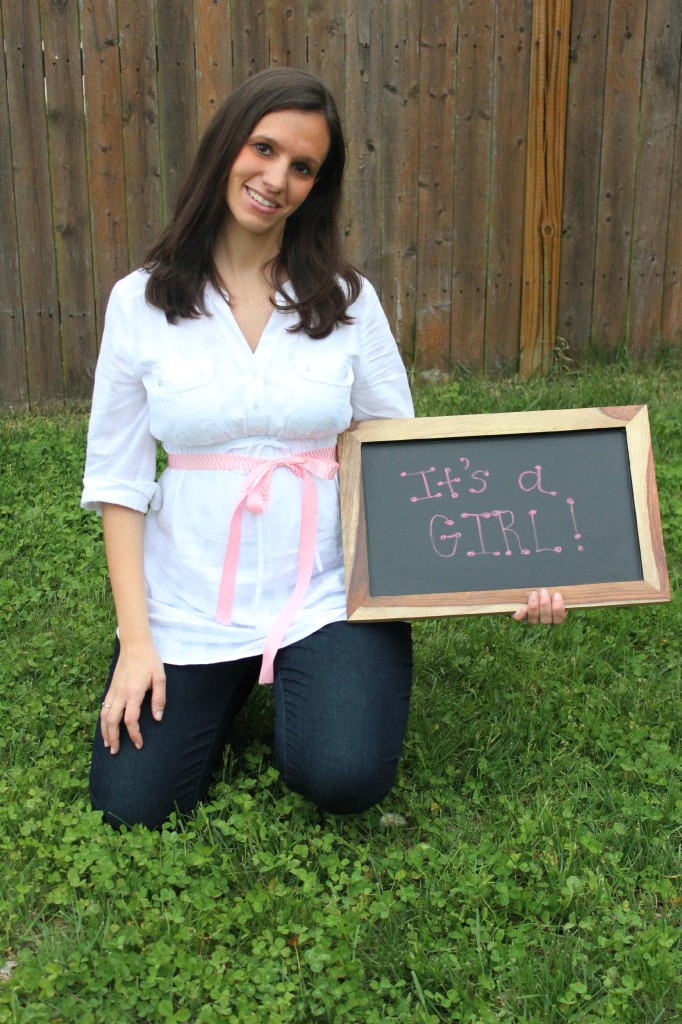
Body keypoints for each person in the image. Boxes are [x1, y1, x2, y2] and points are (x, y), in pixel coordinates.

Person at [82, 68, 565, 830]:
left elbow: (402, 458)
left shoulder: (347, 300)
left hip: (325, 591)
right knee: (132, 805)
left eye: (302, 167)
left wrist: (510, 568)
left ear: (318, 184)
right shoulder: (138, 303)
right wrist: (138, 642)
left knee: (342, 774)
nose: (277, 179)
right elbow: (118, 480)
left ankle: (308, 671)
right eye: (264, 148)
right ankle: (226, 674)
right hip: (190, 598)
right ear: (225, 149)